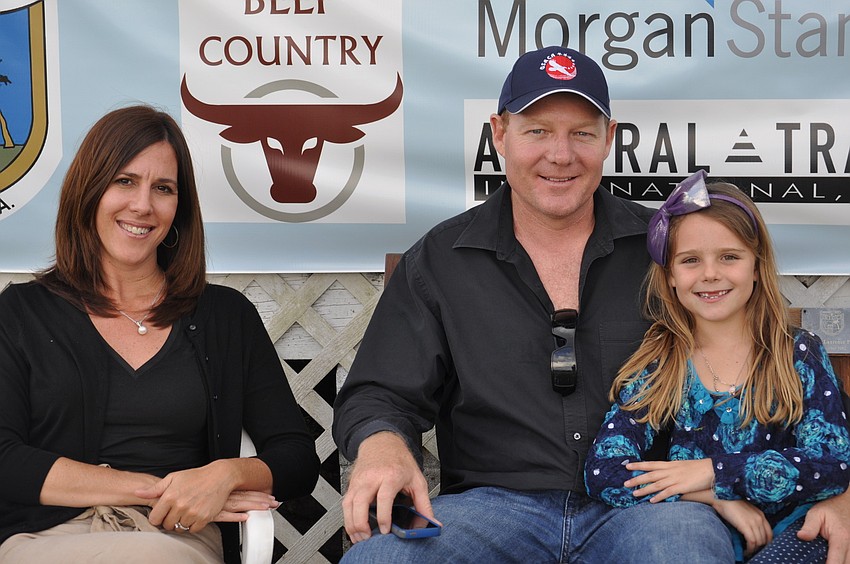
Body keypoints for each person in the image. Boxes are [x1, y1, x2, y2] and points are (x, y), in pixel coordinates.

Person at [332, 46, 739, 563]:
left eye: (582, 133)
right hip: (487, 510)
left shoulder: (667, 252)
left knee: (685, 548)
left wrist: (839, 492)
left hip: (649, 502)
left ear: (609, 139)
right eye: (538, 131)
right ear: (500, 134)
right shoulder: (441, 260)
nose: (561, 154)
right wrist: (383, 447)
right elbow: (377, 394)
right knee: (381, 559)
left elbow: (766, 365)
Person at [0, 105, 320, 563]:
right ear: (89, 192)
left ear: (179, 208)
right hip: (44, 538)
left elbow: (296, 459)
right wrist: (163, 489)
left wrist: (225, 475)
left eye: (163, 189)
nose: (143, 205)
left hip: (174, 539)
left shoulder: (226, 317)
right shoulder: (20, 313)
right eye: (124, 181)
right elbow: (4, 458)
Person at [584, 171, 850, 563]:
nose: (710, 274)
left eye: (729, 256)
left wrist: (714, 471)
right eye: (691, 260)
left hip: (796, 527)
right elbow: (604, 471)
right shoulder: (661, 361)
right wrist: (709, 494)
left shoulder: (797, 353)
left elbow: (830, 463)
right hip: (696, 528)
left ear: (757, 266)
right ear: (671, 276)